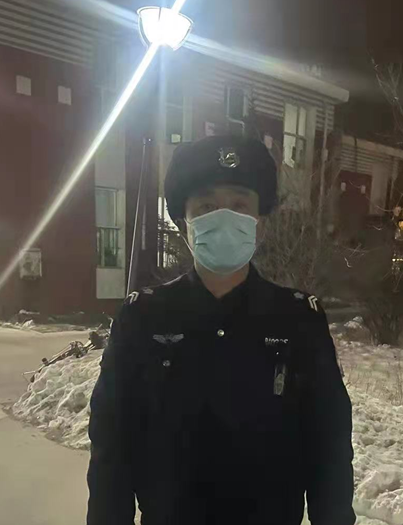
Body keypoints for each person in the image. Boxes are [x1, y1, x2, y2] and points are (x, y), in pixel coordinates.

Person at [87, 135, 355, 525]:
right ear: (184, 223)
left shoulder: (298, 321)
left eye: (240, 205)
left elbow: (329, 449)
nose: (224, 217)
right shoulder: (143, 319)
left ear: (260, 223)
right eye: (207, 206)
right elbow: (111, 447)